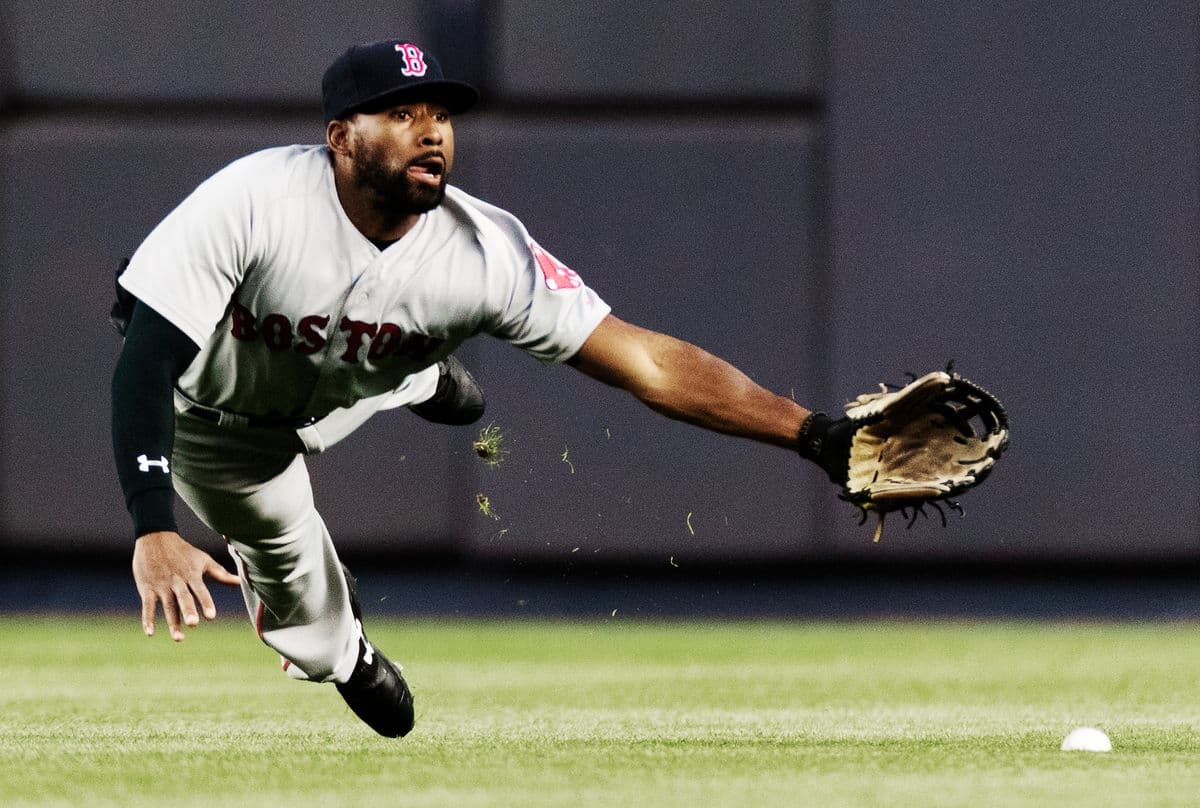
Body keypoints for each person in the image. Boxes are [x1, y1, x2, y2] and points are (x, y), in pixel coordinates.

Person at [110, 38, 852, 738]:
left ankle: (410, 373)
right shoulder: (249, 202)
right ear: (340, 137)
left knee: (378, 350)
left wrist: (813, 435)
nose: (431, 132)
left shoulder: (484, 252)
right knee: (310, 619)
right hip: (219, 427)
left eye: (440, 114)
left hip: (347, 378)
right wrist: (153, 525)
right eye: (401, 113)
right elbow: (142, 366)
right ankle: (347, 651)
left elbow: (646, 361)